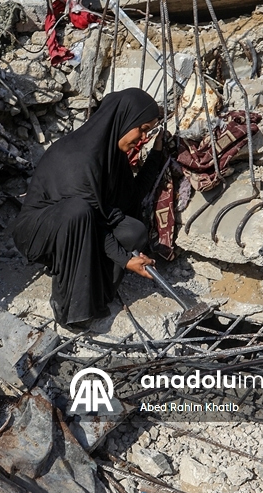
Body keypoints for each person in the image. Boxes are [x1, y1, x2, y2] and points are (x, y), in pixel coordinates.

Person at [11, 88, 168, 327]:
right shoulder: (78, 158)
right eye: (143, 129)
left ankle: (97, 292)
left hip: (84, 226)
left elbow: (133, 196)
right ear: (124, 119)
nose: (143, 138)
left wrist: (157, 154)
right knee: (79, 212)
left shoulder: (112, 156)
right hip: (40, 232)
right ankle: (70, 309)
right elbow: (89, 221)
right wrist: (126, 261)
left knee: (132, 231)